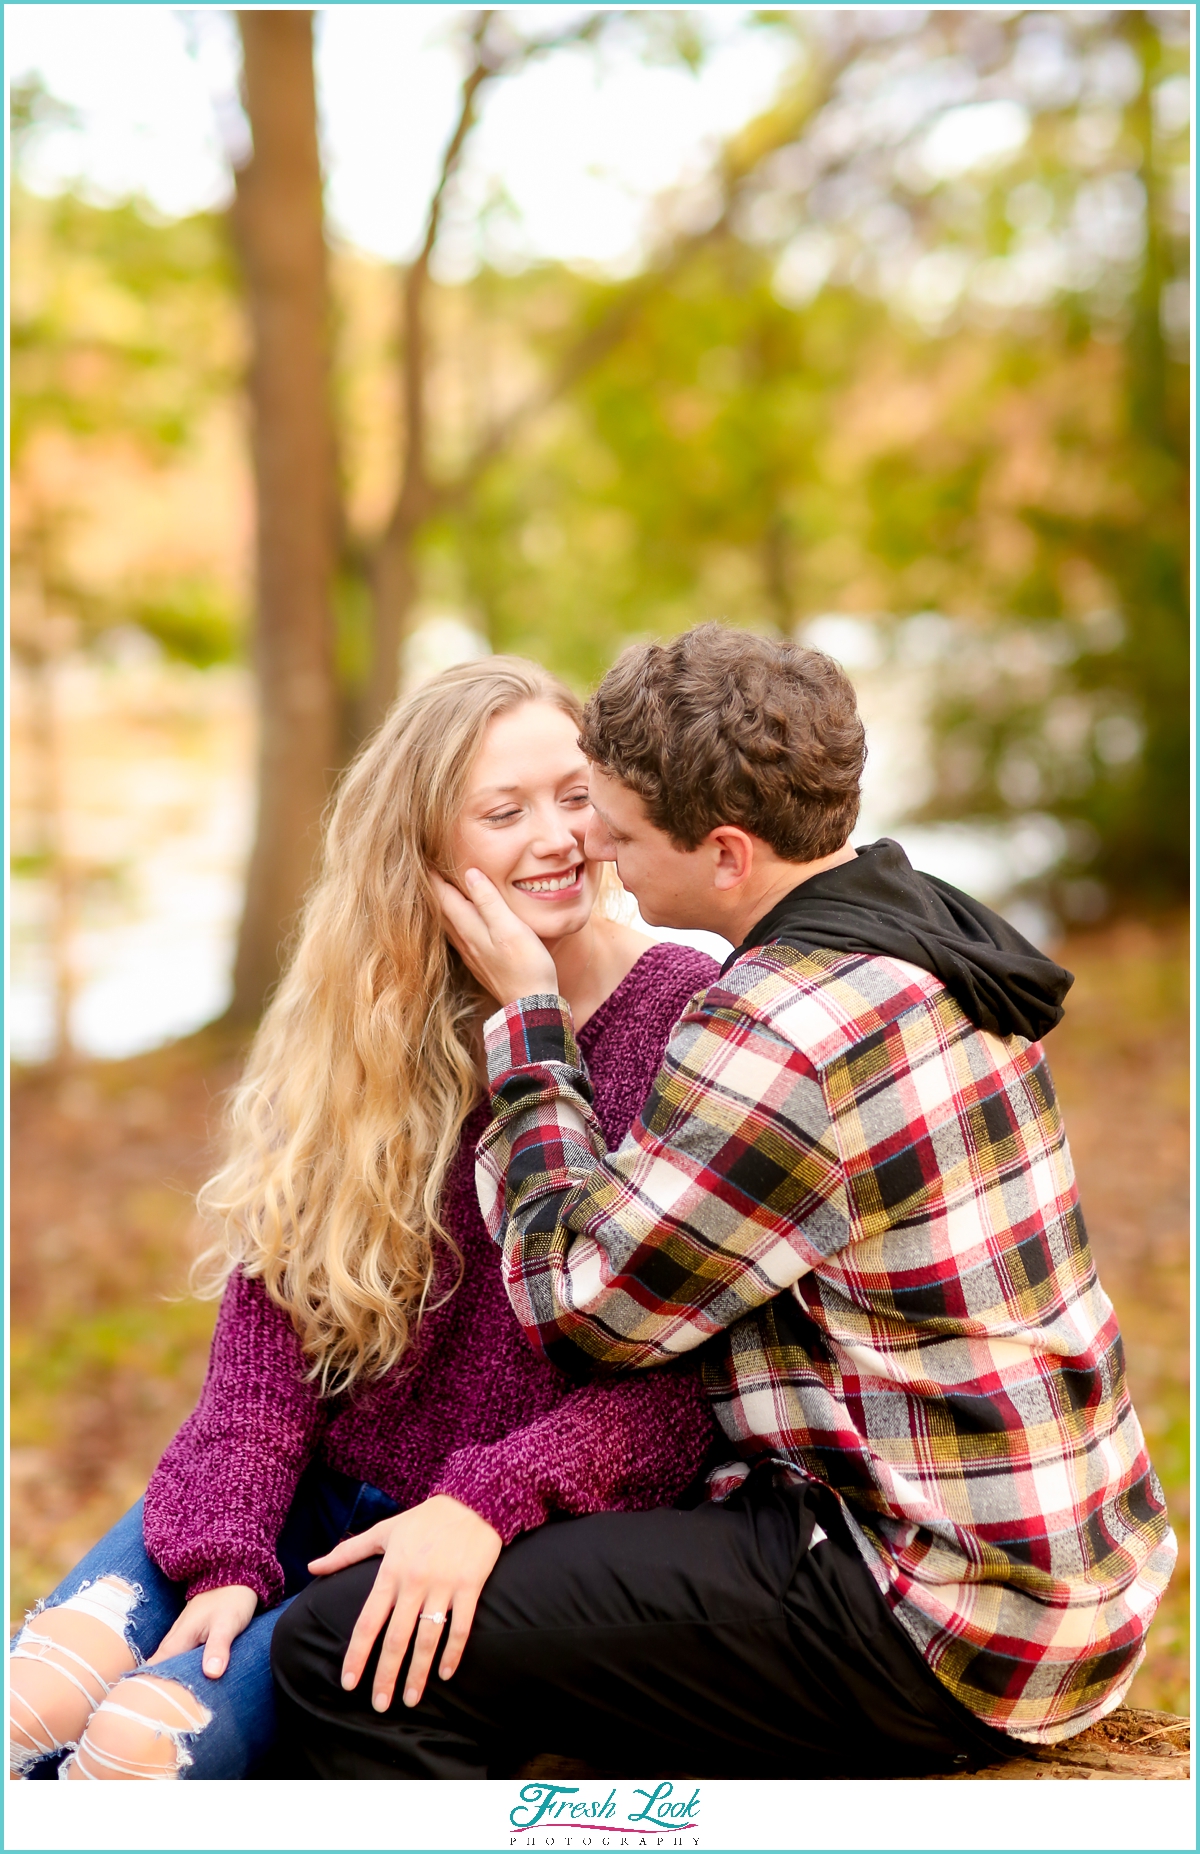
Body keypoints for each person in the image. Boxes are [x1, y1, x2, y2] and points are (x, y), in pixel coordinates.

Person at [274, 623, 1177, 1780]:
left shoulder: (777, 1030)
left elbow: (579, 1303)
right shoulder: (921, 943)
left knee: (331, 1659)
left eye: (617, 821)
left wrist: (532, 1029)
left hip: (937, 1613)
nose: (588, 841)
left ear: (729, 855)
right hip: (1067, 1567)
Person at [8, 657, 718, 1782]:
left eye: (574, 795)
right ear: (427, 851)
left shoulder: (684, 1016)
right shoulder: (376, 1015)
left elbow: (678, 1389)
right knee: (34, 1698)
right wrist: (229, 1552)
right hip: (304, 1479)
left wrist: (491, 1495)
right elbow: (270, 1326)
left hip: (465, 1534)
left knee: (136, 1755)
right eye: (504, 812)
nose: (557, 837)